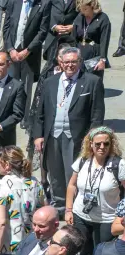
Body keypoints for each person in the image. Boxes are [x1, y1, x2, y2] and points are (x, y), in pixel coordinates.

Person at [33, 46, 105, 211]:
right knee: (55, 172)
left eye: (74, 62)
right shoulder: (50, 82)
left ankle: (73, 207)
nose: (70, 65)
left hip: (77, 136)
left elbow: (97, 114)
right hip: (53, 134)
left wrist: (91, 138)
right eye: (67, 62)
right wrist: (38, 135)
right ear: (61, 62)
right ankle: (58, 204)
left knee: (73, 173)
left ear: (79, 62)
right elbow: (40, 112)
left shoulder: (92, 82)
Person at [65, 127, 125, 255]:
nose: (102, 147)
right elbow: (71, 185)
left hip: (107, 218)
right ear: (90, 144)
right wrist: (68, 209)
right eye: (98, 144)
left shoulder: (118, 164)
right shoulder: (83, 161)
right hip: (81, 215)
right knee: (82, 252)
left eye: (106, 143)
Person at [3, 0, 48, 128]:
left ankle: (24, 117)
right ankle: (8, 114)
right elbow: (6, 27)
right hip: (12, 51)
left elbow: (42, 31)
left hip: (30, 53)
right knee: (10, 84)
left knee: (26, 86)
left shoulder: (43, 4)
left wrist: (28, 50)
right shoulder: (13, 2)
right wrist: (10, 49)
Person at [72, 0, 111, 77]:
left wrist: (102, 59)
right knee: (79, 80)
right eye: (81, 9)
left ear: (92, 6)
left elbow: (104, 40)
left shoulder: (103, 18)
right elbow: (73, 37)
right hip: (80, 53)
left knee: (92, 79)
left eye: (85, 9)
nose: (83, 12)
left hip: (94, 55)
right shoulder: (80, 17)